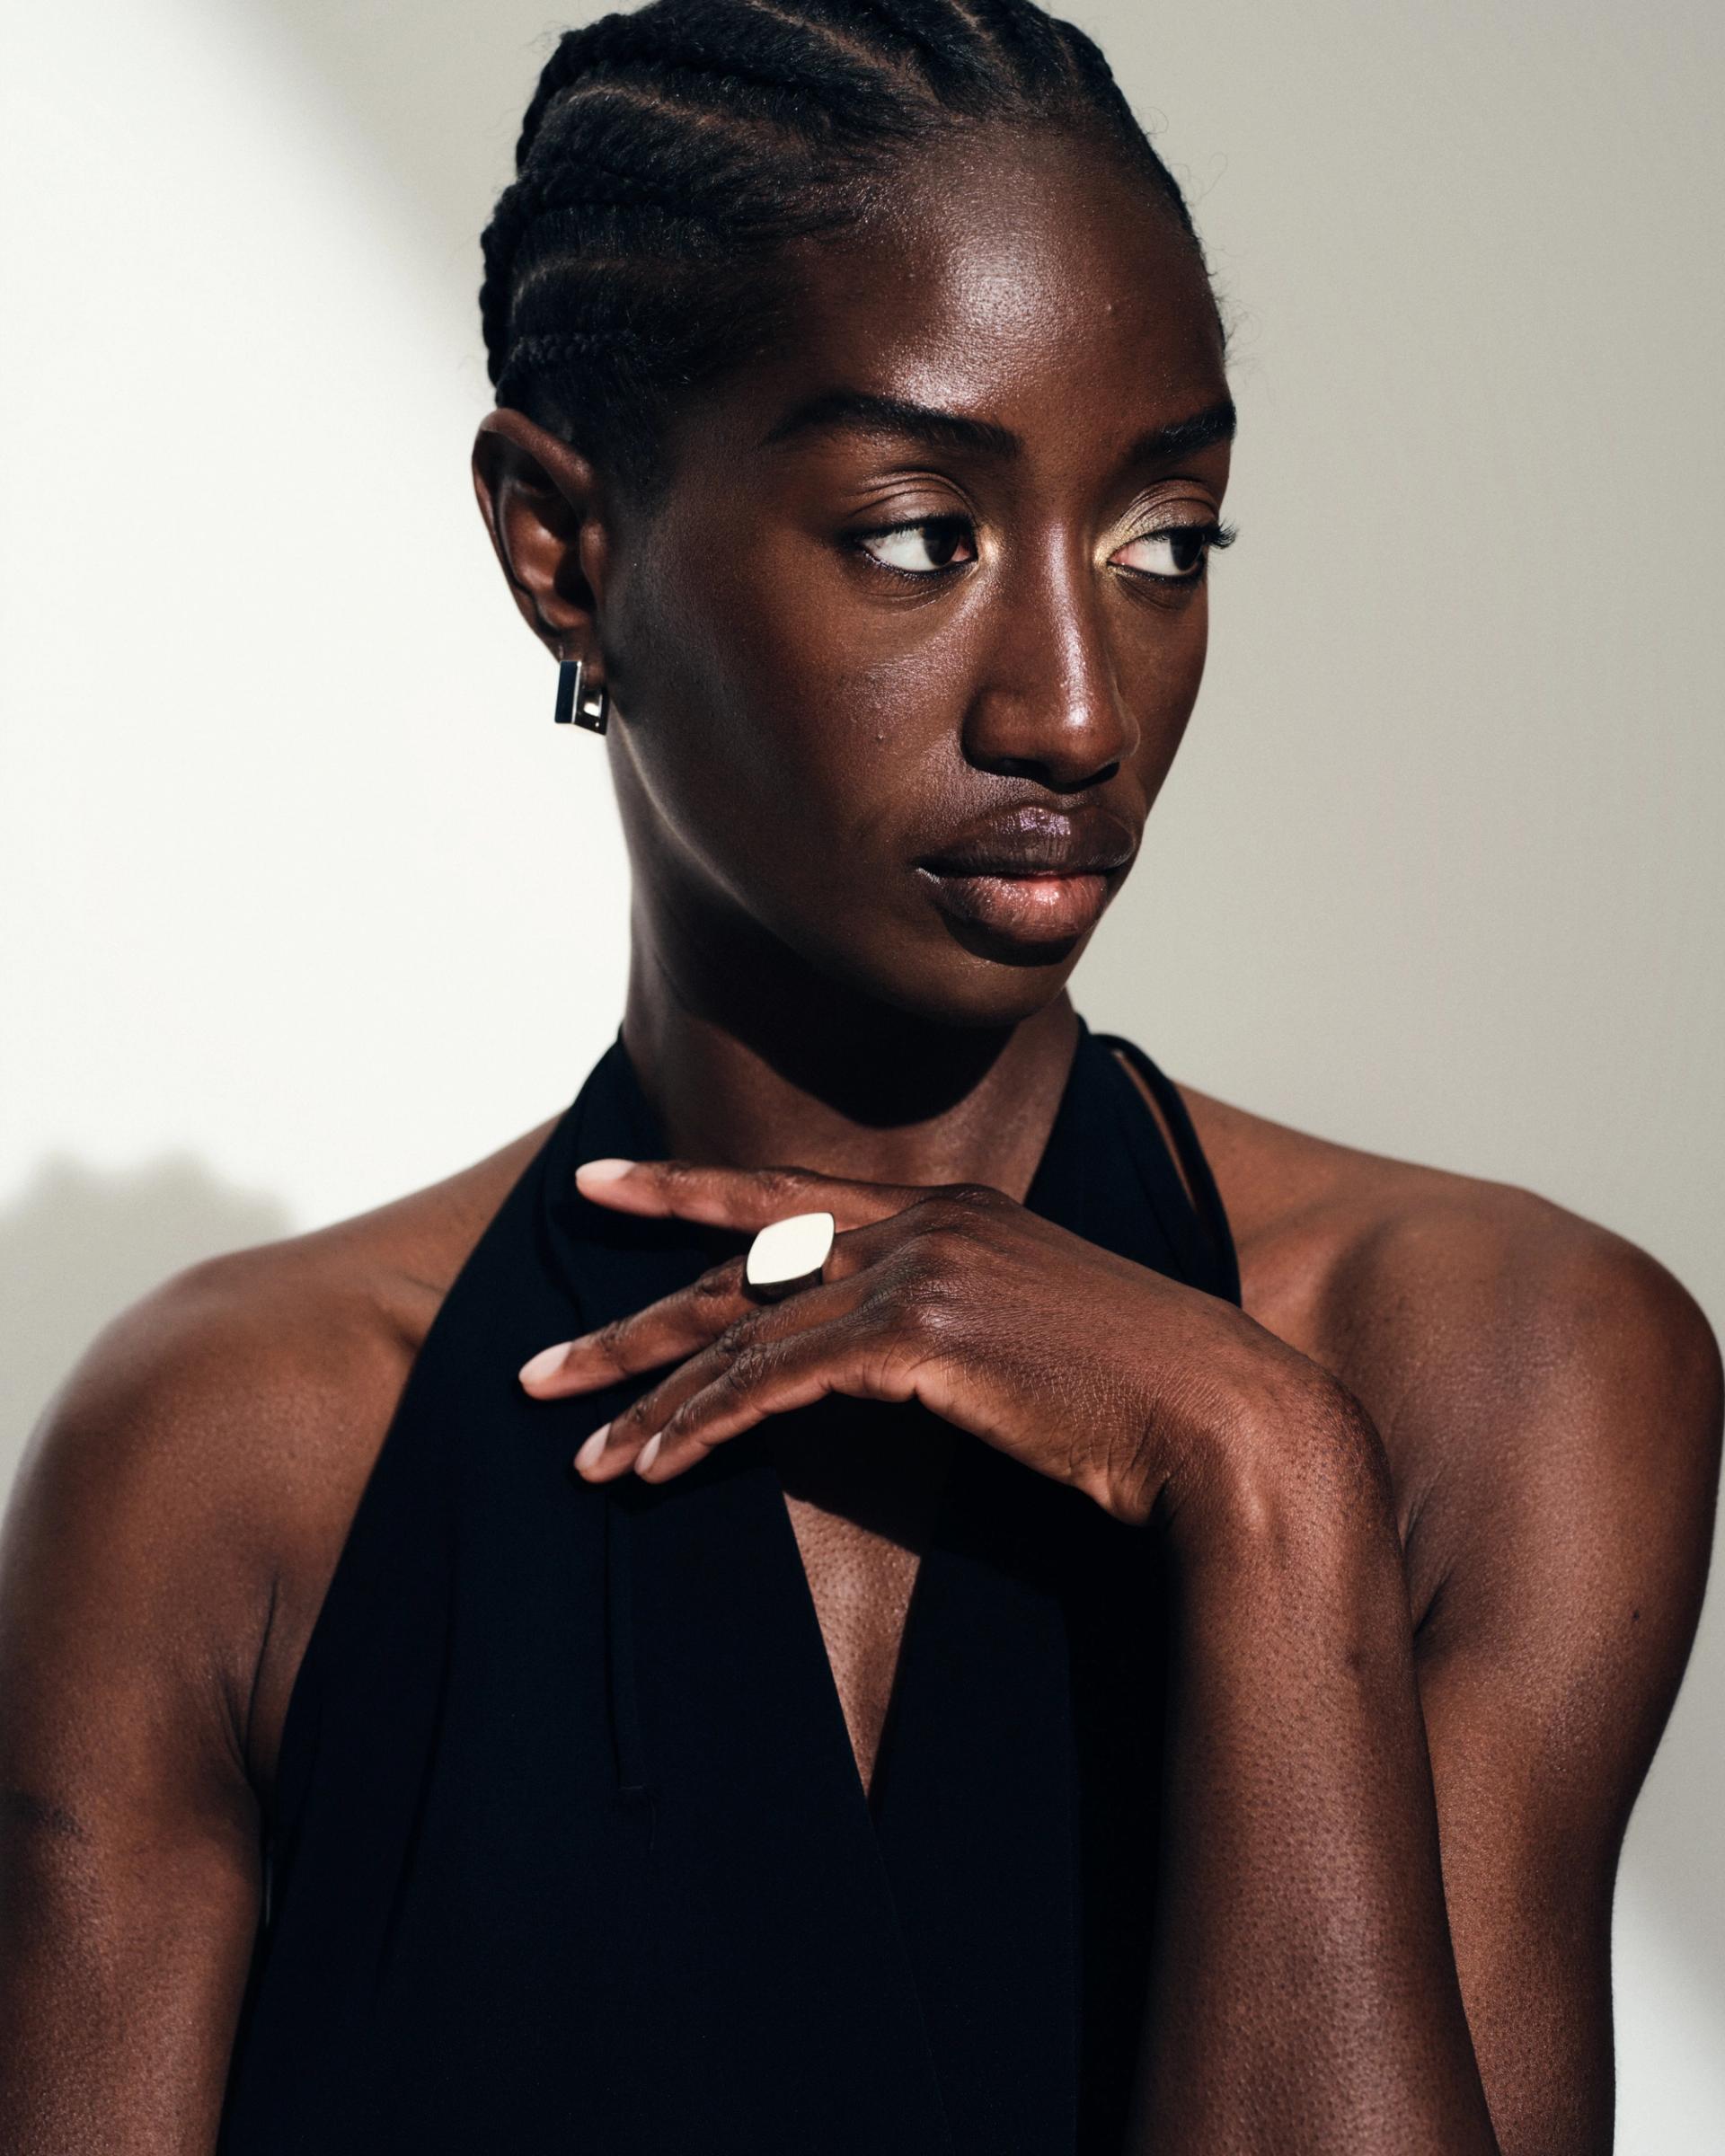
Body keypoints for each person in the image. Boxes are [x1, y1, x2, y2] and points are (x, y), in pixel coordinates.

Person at [1, 2, 1719, 2151]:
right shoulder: (238, 1465)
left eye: (1164, 541)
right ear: (565, 547)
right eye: (921, 533)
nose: (1079, 711)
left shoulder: (1491, 1369)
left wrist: (1261, 1472)